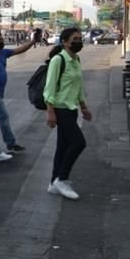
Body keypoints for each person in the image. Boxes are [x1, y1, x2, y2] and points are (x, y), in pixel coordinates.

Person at [44, 28, 92, 200]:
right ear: (64, 42)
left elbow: (78, 86)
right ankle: (62, 178)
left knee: (63, 146)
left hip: (71, 109)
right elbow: (49, 87)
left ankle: (53, 183)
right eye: (74, 39)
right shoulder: (58, 60)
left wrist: (84, 107)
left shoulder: (76, 59)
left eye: (80, 38)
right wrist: (50, 112)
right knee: (79, 143)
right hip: (60, 108)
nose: (78, 41)